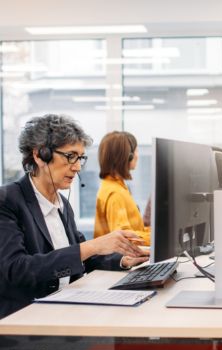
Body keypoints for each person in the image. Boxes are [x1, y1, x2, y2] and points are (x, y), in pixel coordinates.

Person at [0, 114, 148, 319]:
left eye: (80, 158)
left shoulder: (63, 204)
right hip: (28, 319)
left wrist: (125, 260)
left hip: (67, 310)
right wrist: (92, 246)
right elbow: (17, 269)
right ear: (39, 155)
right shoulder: (7, 201)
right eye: (70, 156)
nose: (78, 167)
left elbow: (85, 260)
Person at [94, 131, 151, 246]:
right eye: (136, 150)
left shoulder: (115, 186)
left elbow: (132, 230)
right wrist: (155, 238)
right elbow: (124, 238)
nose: (137, 155)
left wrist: (153, 232)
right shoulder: (115, 193)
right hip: (118, 261)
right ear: (127, 156)